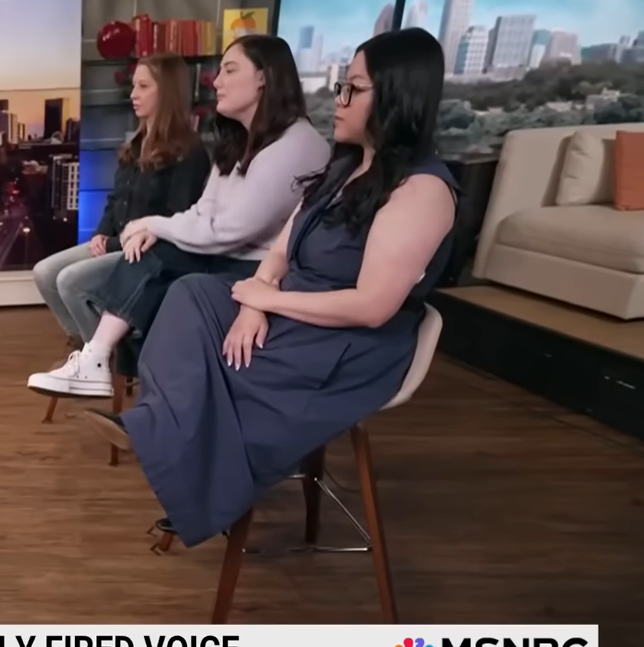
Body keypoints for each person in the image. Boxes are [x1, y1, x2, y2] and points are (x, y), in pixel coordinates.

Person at [82, 28, 459, 547]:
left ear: (397, 95)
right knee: (189, 294)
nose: (338, 100)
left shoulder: (421, 190)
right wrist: (254, 302)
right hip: (289, 304)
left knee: (221, 356)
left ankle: (178, 452)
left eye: (353, 88)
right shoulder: (343, 169)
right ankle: (177, 445)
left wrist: (269, 300)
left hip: (346, 338)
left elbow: (372, 306)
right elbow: (281, 250)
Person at [27, 35, 330, 398]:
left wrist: (153, 226)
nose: (216, 82)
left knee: (141, 259)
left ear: (264, 77)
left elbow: (229, 228)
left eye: (229, 71)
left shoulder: (296, 144)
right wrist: (151, 230)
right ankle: (99, 359)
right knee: (146, 253)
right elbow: (203, 212)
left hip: (258, 268)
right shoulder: (237, 141)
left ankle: (109, 364)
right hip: (224, 254)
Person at [32, 53, 209, 354]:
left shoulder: (190, 152)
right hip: (113, 241)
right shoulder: (136, 144)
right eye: (133, 86)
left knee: (70, 280)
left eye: (142, 86)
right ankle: (88, 348)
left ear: (165, 92)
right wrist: (100, 232)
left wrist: (112, 242)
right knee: (45, 273)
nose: (132, 94)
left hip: (146, 253)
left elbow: (175, 216)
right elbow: (116, 199)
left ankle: (104, 361)